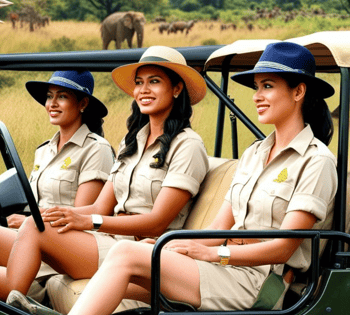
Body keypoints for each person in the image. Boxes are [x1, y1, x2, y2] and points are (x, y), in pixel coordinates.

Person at [66, 42, 338, 315]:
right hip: (224, 266)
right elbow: (220, 226)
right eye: (256, 87)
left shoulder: (316, 161)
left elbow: (283, 248)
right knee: (124, 269)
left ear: (298, 91)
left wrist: (215, 254)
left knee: (126, 254)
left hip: (259, 281)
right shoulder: (255, 153)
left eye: (267, 86)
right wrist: (171, 244)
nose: (256, 96)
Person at [0, 45, 210, 312]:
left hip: (145, 250)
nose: (143, 90)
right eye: (139, 83)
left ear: (177, 89)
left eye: (154, 82)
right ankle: (15, 301)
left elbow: (157, 223)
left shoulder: (187, 145)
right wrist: (64, 214)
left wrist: (89, 221)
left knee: (33, 227)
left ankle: (10, 307)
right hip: (112, 240)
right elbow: (99, 208)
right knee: (37, 222)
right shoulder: (132, 142)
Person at [0, 70, 114, 300]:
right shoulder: (44, 150)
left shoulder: (96, 149)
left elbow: (80, 218)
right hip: (33, 236)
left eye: (62, 97)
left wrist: (29, 221)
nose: (52, 103)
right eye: (49, 96)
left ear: (82, 103)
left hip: (63, 247)